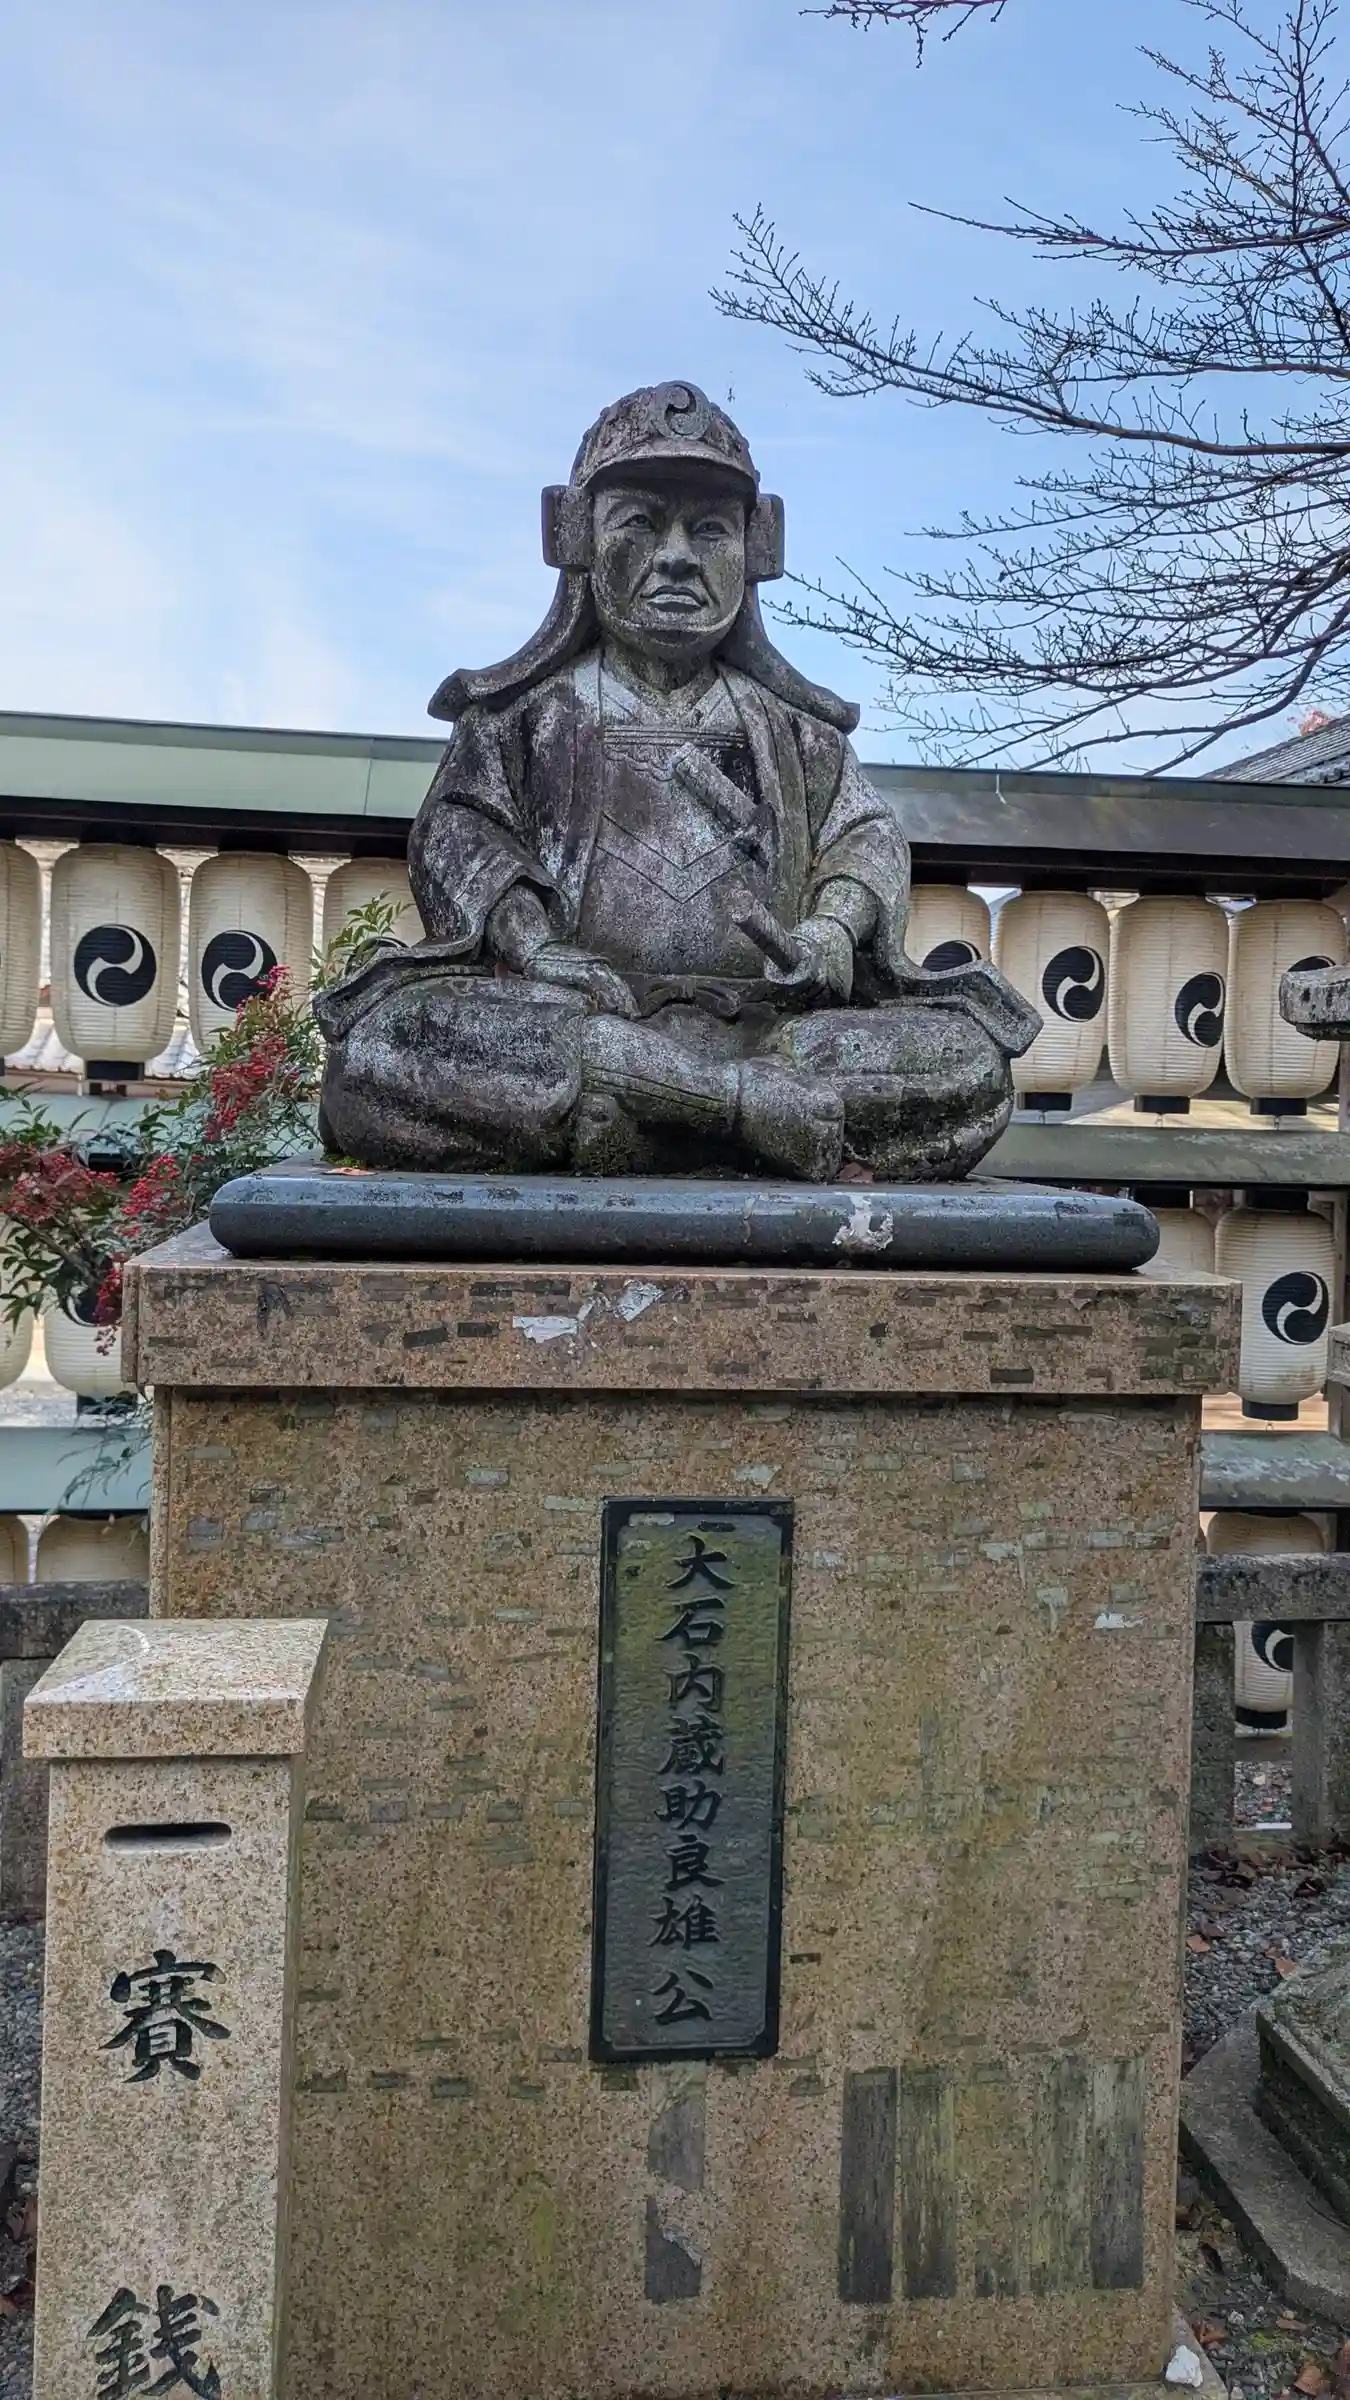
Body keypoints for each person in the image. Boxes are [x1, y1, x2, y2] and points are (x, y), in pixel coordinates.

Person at [316, 381, 1038, 1181]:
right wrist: (536, 947)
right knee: (386, 1045)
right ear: (575, 534)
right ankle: (736, 1115)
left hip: (774, 1037)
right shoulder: (519, 718)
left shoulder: (799, 733)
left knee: (969, 1060)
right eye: (639, 522)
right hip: (585, 1024)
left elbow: (862, 838)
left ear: (758, 547)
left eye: (710, 530)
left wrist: (831, 934)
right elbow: (462, 832)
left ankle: (652, 1121)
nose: (677, 556)